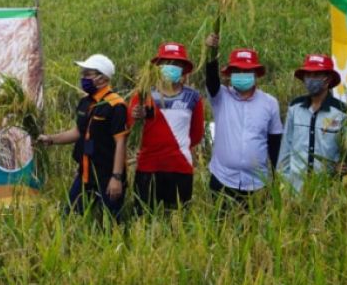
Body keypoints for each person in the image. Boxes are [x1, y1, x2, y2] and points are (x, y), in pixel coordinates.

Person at [38, 54, 128, 221]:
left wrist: (116, 178)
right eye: (83, 74)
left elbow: (120, 143)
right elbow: (78, 132)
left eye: (87, 74)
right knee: (69, 217)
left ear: (102, 78)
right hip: (85, 173)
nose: (83, 78)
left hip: (106, 175)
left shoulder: (116, 106)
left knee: (111, 223)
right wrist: (50, 139)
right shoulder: (86, 103)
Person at [204, 35, 283, 201]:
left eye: (246, 71)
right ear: (230, 74)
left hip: (256, 185)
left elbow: (275, 145)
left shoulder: (269, 103)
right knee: (220, 226)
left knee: (254, 227)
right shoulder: (221, 97)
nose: (242, 74)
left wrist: (278, 182)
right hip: (222, 180)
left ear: (255, 74)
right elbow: (211, 80)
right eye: (237, 71)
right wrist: (211, 53)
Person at [128, 42, 205, 210]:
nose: (171, 67)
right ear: (157, 67)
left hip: (180, 167)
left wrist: (173, 148)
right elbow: (130, 128)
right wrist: (137, 117)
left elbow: (197, 133)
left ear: (184, 69)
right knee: (143, 217)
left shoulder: (193, 98)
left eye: (176, 64)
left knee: (177, 220)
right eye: (167, 63)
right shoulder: (143, 95)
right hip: (147, 167)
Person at [276, 53, 347, 192]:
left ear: (328, 79)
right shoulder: (295, 108)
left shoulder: (341, 112)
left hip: (327, 190)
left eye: (317, 75)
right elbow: (286, 147)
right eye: (308, 75)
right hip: (295, 188)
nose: (311, 79)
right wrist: (283, 183)